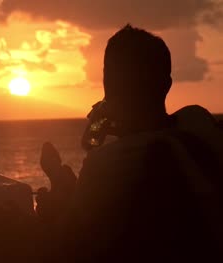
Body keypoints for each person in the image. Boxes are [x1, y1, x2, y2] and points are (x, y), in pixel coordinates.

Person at [67, 25, 223, 262]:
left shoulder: (105, 166)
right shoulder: (199, 123)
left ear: (107, 86)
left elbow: (72, 241)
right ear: (166, 84)